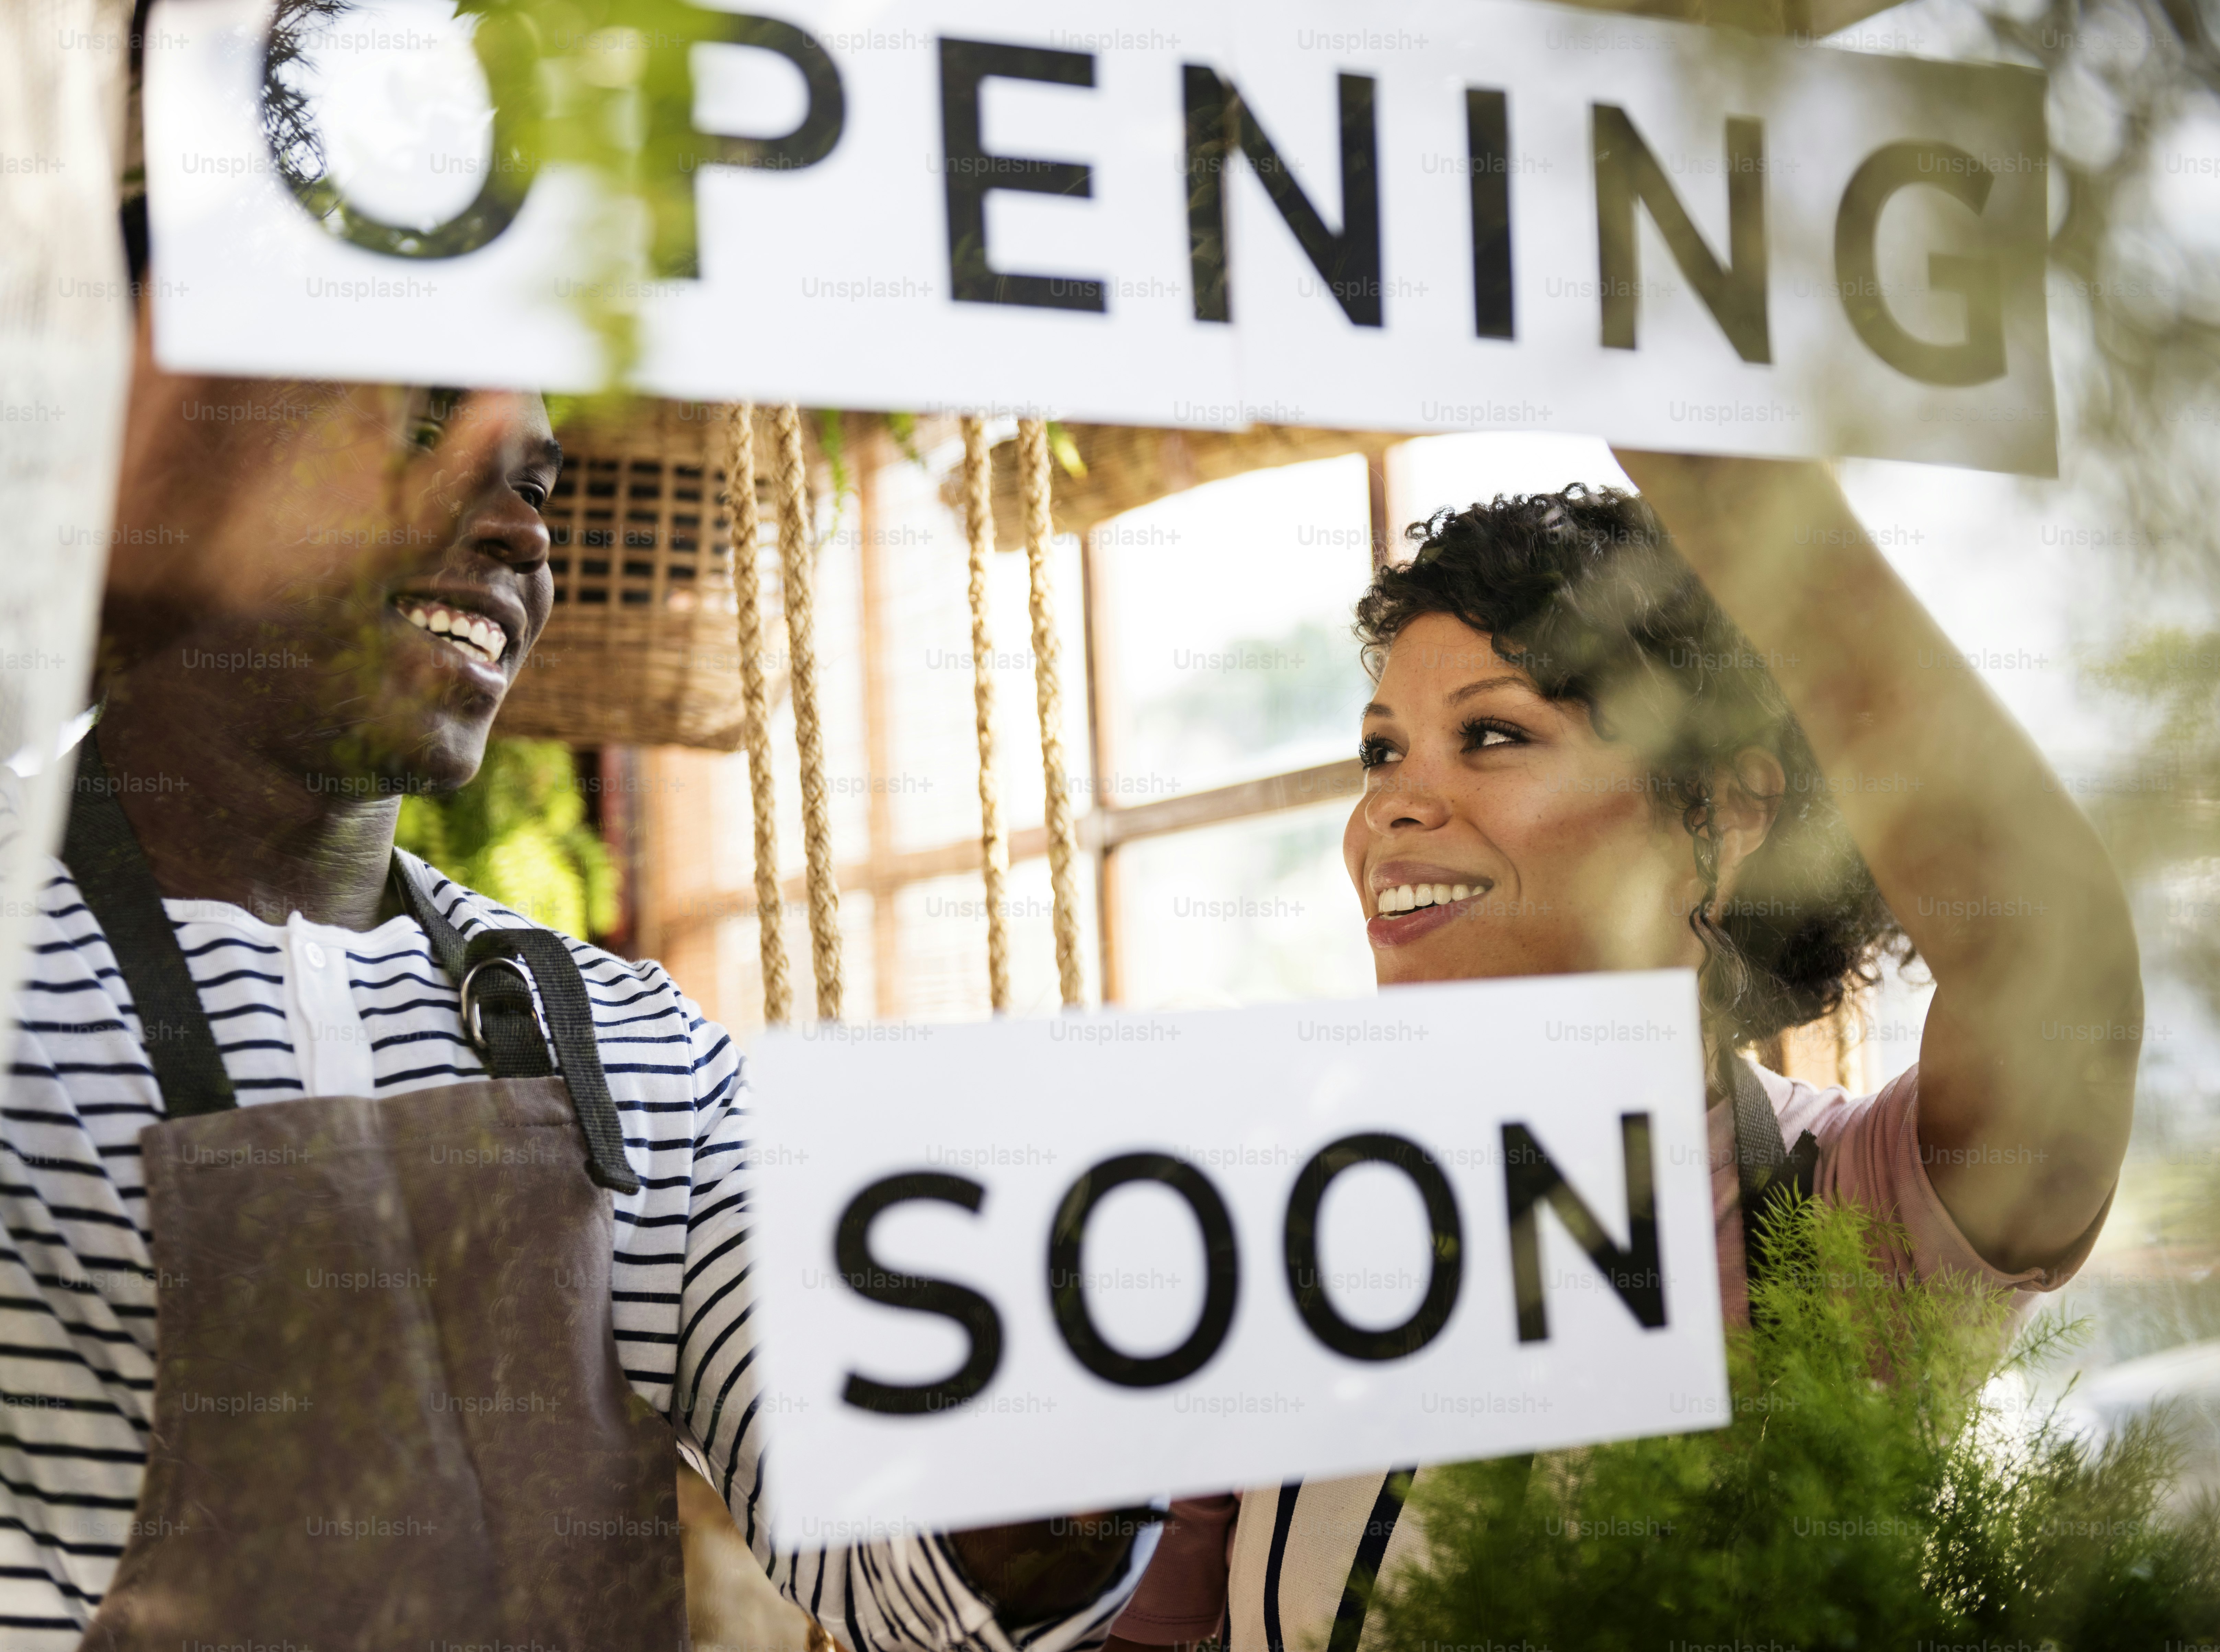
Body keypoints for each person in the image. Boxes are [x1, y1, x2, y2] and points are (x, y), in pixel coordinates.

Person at [0, 266, 1148, 1644]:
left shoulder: (623, 1045)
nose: (521, 534)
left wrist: (1066, 1455)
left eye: (537, 486)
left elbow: (896, 1551)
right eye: (420, 432)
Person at [1105, 459, 2141, 1652]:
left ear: (1730, 815)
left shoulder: (1840, 1212)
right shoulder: (1300, 1209)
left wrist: (1695, 405)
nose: (1389, 807)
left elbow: (2053, 971)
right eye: (1382, 751)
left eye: (1490, 734)